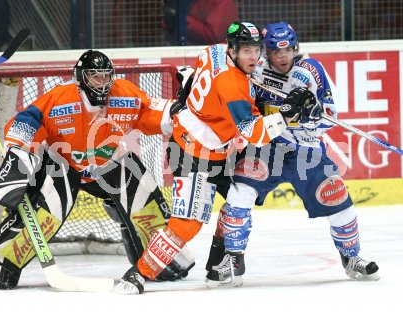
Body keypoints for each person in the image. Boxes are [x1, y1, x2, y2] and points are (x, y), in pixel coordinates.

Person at [114, 21, 319, 294]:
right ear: (232, 50)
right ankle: (138, 274)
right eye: (246, 51)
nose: (253, 58)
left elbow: (189, 74)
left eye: (256, 50)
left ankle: (217, 265)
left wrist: (187, 95)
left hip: (214, 148)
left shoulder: (213, 51)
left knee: (236, 199)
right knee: (187, 224)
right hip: (192, 153)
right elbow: (254, 132)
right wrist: (286, 115)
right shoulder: (232, 86)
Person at [0, 49, 194, 289]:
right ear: (81, 78)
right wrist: (18, 148)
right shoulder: (61, 98)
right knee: (48, 213)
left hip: (104, 164)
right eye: (94, 77)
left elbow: (154, 111)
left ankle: (158, 259)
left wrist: (185, 111)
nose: (102, 83)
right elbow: (29, 118)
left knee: (138, 184)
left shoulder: (125, 94)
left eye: (105, 76)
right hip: (63, 166)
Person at [205, 21, 380, 287]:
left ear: (296, 48)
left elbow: (331, 117)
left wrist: (311, 115)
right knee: (239, 194)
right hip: (267, 148)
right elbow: (244, 104)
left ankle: (352, 258)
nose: (283, 56)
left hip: (306, 151)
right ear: (267, 52)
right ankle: (234, 259)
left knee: (339, 202)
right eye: (276, 51)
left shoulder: (312, 71)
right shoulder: (256, 70)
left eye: (288, 50)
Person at [163, 0, 238, 45]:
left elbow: (213, 36)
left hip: (216, 57)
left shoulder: (222, 3)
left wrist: (181, 19)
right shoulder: (195, 2)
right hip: (190, 52)